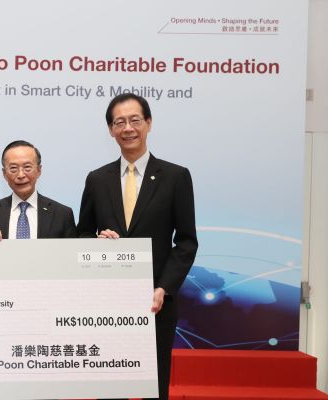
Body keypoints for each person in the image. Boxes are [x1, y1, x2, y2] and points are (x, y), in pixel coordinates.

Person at [77, 93, 198, 400]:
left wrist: (164, 288)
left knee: (155, 386)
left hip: (155, 301)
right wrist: (97, 243)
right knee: (110, 385)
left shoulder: (175, 176)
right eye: (119, 122)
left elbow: (185, 240)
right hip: (108, 301)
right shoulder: (96, 179)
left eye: (134, 120)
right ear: (110, 129)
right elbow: (81, 234)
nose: (127, 128)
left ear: (149, 123)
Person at [0, 140, 76, 239]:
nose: (21, 175)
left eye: (27, 167)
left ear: (39, 170)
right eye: (13, 168)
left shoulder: (62, 214)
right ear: (4, 174)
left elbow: (72, 253)